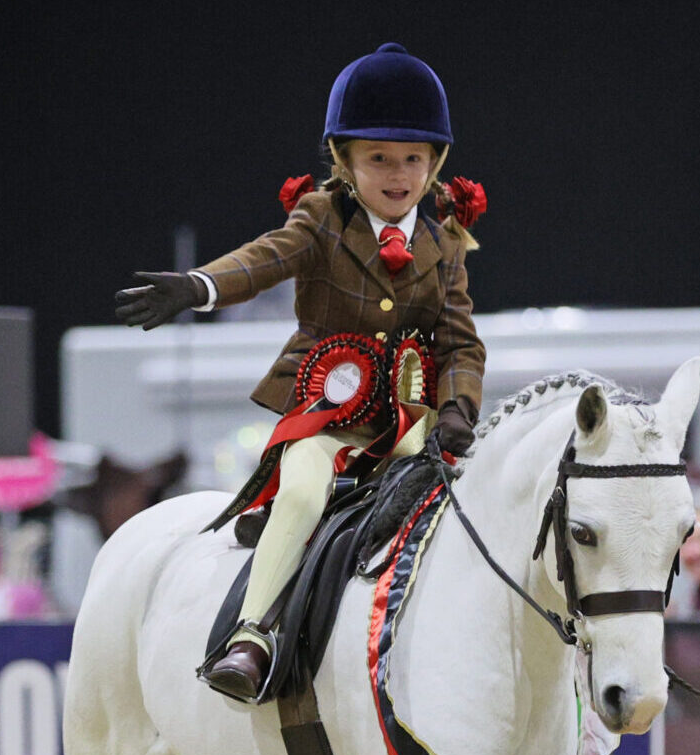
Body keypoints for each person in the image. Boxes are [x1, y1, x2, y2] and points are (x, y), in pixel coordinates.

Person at [113, 43, 488, 702]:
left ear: (435, 165)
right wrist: (199, 287)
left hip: (409, 424)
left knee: (469, 507)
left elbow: (459, 343)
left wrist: (458, 408)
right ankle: (253, 637)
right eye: (378, 159)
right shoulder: (321, 219)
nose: (398, 175)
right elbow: (264, 260)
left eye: (413, 159)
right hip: (328, 418)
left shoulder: (446, 245)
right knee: (305, 495)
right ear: (343, 160)